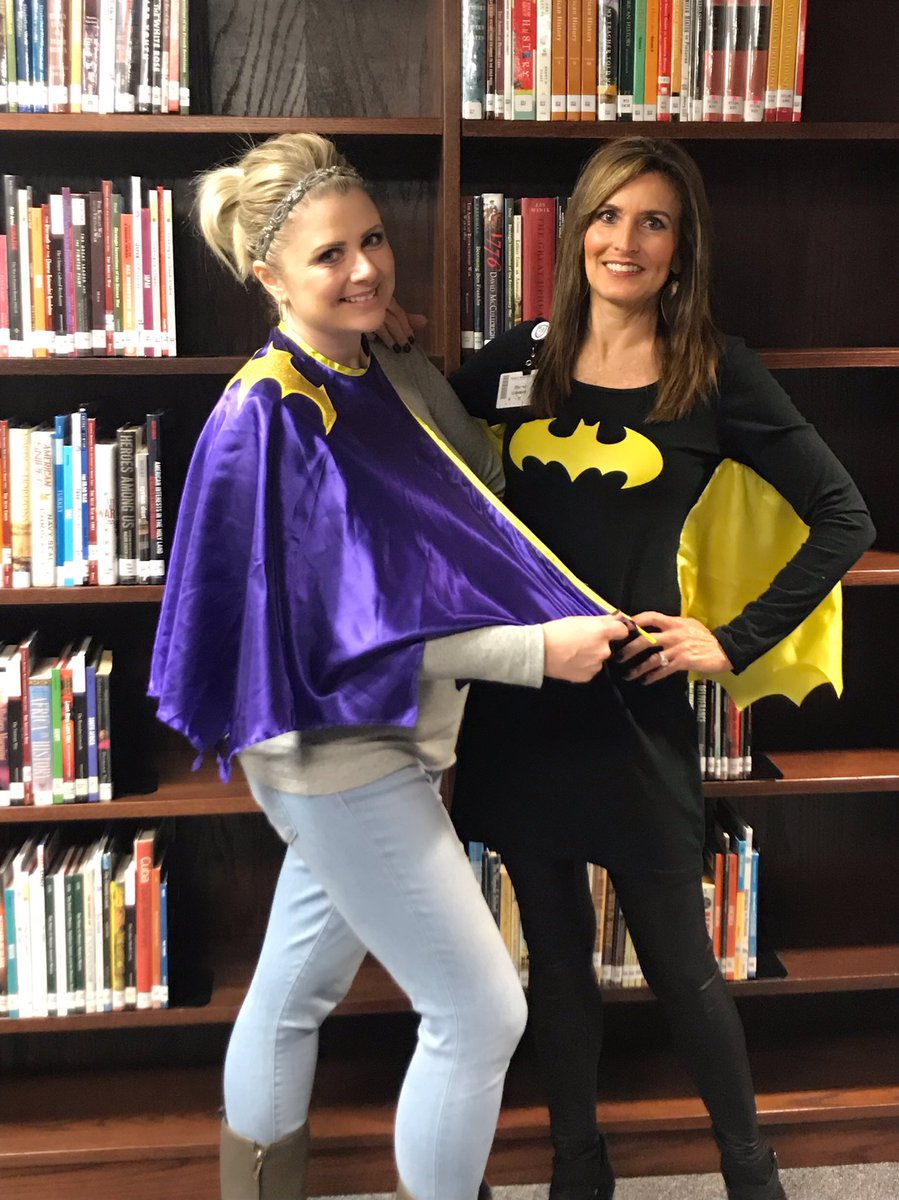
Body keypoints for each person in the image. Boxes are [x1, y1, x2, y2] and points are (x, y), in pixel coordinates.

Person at [148, 132, 631, 1200]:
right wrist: (530, 652)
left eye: (372, 241)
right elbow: (336, 629)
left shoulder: (365, 369)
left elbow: (464, 490)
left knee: (295, 990)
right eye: (329, 256)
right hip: (333, 745)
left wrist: (388, 340)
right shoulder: (270, 413)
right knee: (480, 1009)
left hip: (383, 738)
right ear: (268, 276)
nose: (364, 267)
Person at [445, 136, 876, 1200]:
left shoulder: (712, 370)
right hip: (522, 700)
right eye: (605, 215)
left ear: (681, 248)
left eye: (652, 222)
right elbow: (418, 448)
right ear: (575, 231)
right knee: (553, 964)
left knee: (683, 967)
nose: (623, 241)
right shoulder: (514, 359)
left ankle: (750, 1174)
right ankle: (576, 1168)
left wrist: (728, 640)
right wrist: (393, 338)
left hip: (633, 714)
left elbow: (843, 515)